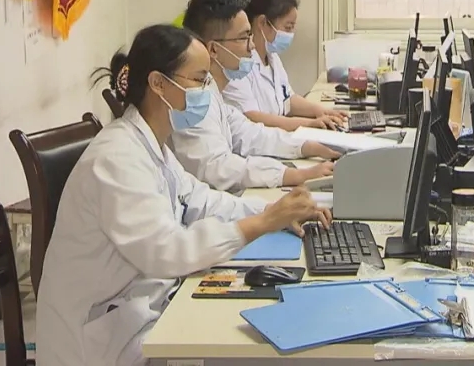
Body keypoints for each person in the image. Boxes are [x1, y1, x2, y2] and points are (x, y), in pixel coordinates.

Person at [36, 24, 330, 366]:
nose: (207, 91)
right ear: (158, 84)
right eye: (200, 80)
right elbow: (169, 251)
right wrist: (261, 223)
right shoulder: (116, 158)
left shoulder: (149, 144)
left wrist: (272, 211)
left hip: (140, 307)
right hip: (101, 340)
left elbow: (199, 199)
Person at [173, 0, 341, 194]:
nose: (251, 46)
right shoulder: (193, 103)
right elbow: (217, 168)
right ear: (214, 50)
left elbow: (253, 135)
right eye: (244, 37)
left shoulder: (213, 93)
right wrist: (293, 175)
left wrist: (308, 146)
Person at [223, 0, 348, 130]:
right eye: (288, 27)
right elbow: (251, 116)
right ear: (262, 22)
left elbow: (287, 100)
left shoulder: (272, 58)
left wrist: (320, 111)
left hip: (277, 136)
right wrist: (309, 123)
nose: (291, 34)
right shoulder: (239, 65)